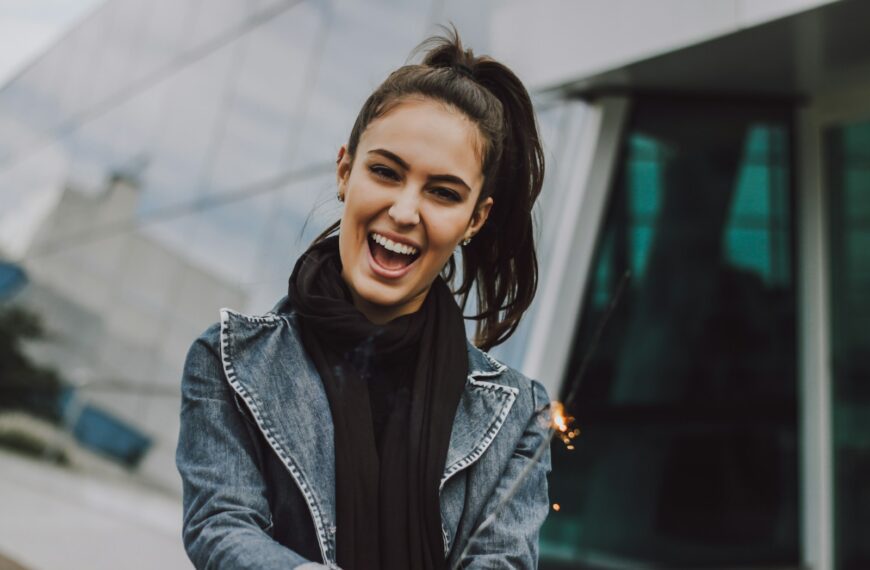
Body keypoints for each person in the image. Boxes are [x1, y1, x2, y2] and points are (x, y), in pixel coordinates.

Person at [175, 26, 552, 570]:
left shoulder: (519, 417)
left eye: (443, 193)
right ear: (345, 171)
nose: (404, 211)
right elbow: (222, 529)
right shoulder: (230, 365)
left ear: (476, 219)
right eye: (385, 172)